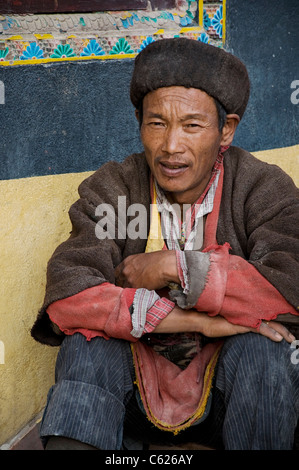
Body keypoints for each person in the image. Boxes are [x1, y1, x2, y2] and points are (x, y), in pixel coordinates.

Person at [31, 38, 299, 450]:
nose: (171, 146)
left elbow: (288, 291)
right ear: (139, 122)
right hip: (133, 393)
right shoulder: (114, 188)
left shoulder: (262, 187)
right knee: (85, 346)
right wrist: (201, 321)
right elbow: (69, 297)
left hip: (227, 396)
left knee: (268, 353)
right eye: (157, 123)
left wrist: (176, 267)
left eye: (192, 125)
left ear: (226, 129)